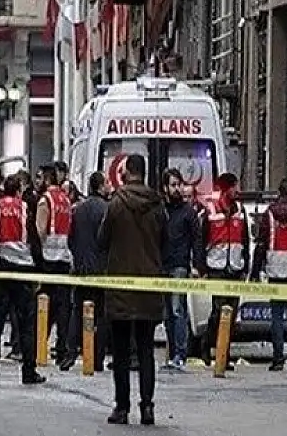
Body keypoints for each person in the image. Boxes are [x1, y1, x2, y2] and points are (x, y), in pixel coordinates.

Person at [98, 154, 165, 425]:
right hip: (149, 287)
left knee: (122, 353)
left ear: (126, 173)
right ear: (144, 173)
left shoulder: (115, 205)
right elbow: (166, 241)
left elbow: (102, 240)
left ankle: (122, 407)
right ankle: (147, 406)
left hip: (121, 289)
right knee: (146, 350)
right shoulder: (157, 206)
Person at [0, 174, 45, 386]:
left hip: (2, 271)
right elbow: (34, 242)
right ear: (18, 191)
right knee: (26, 325)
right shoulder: (25, 209)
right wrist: (38, 270)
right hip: (23, 272)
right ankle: (28, 371)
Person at [194, 172, 250, 370]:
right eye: (235, 187)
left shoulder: (239, 210)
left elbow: (245, 240)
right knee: (218, 312)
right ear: (226, 189)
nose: (238, 191)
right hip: (216, 267)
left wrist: (246, 266)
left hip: (234, 268)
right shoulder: (210, 210)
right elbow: (201, 241)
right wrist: (201, 267)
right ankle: (206, 347)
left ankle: (223, 355)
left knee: (231, 314)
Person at [61, 171, 110, 372]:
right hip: (101, 270)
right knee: (100, 315)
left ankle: (70, 351)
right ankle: (97, 358)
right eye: (106, 183)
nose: (109, 186)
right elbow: (108, 239)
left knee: (77, 311)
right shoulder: (106, 210)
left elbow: (70, 238)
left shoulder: (77, 209)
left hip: (81, 269)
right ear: (100, 186)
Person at [253, 176, 287, 371]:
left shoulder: (270, 213)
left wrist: (255, 272)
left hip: (275, 271)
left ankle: (277, 358)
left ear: (279, 193)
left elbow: (261, 244)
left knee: (276, 317)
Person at [160, 168, 198, 372]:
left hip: (179, 267)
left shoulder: (188, 213)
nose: (177, 189)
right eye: (173, 185)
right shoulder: (161, 211)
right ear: (165, 187)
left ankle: (180, 354)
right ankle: (172, 352)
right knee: (167, 314)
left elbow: (196, 240)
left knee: (177, 310)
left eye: (179, 184)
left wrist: (196, 266)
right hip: (163, 266)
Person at [34, 163, 72, 366]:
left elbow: (40, 230)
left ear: (48, 179)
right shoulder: (65, 200)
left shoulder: (45, 200)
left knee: (44, 306)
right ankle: (63, 348)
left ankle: (40, 346)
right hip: (64, 259)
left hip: (48, 259)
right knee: (63, 307)